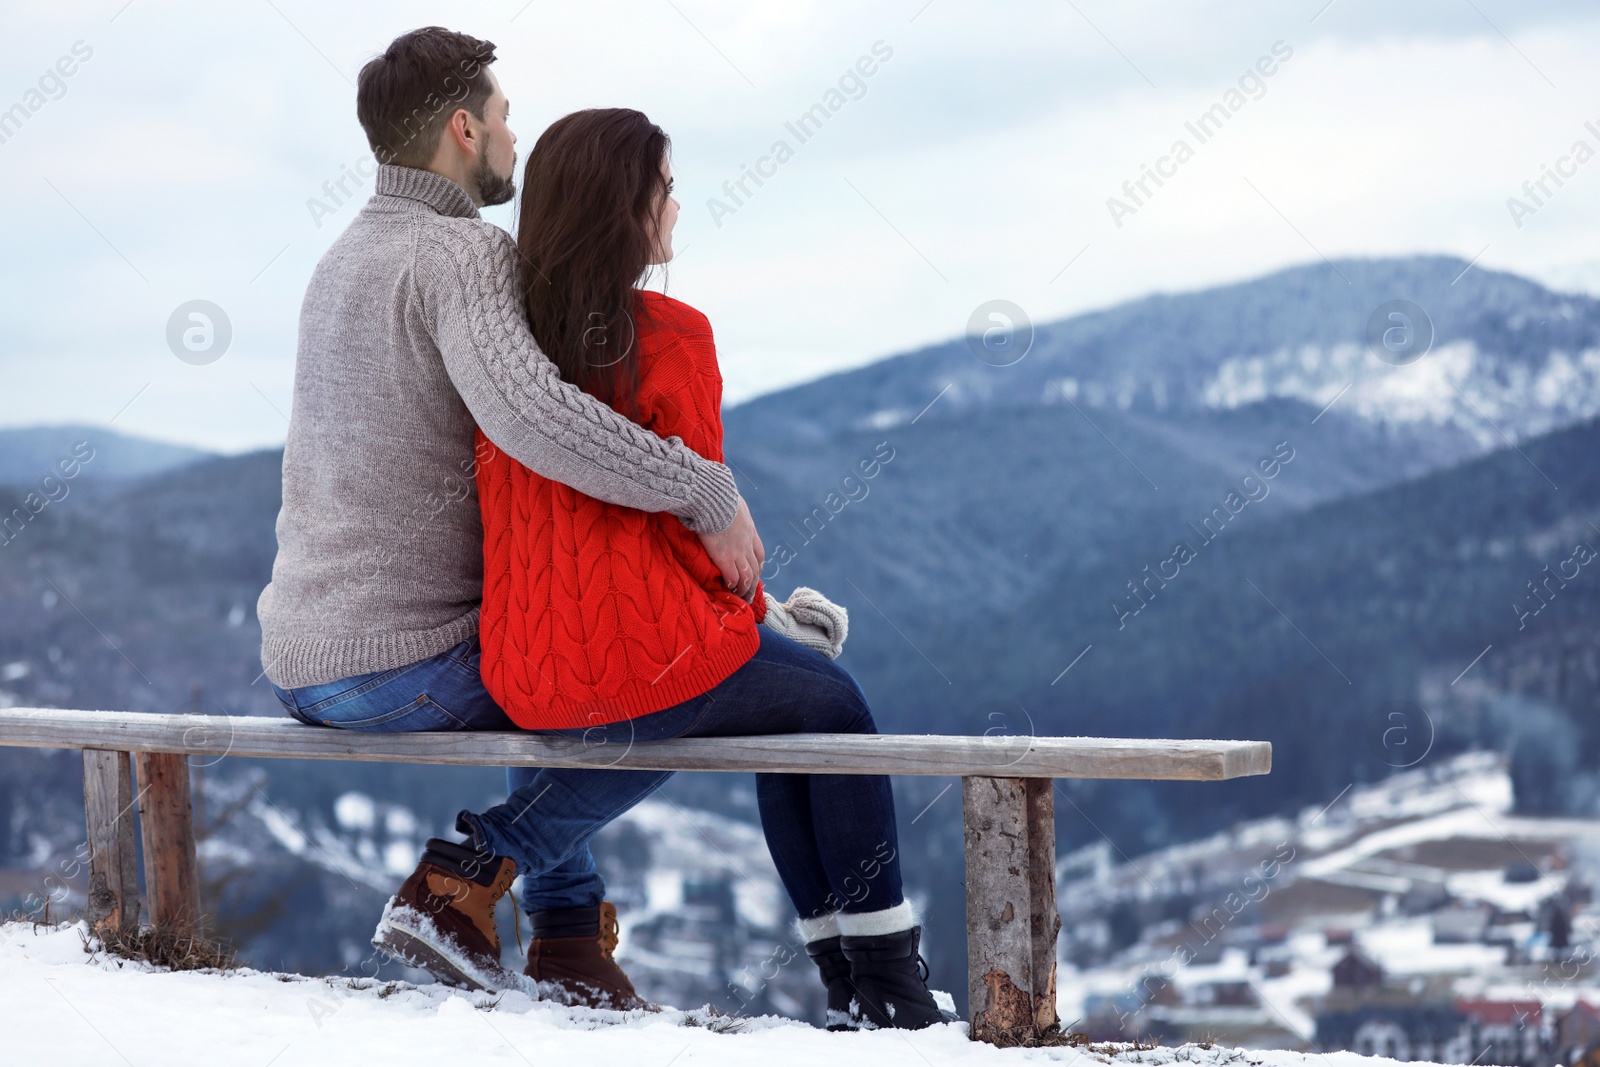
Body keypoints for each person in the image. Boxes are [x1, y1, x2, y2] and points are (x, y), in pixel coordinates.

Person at [258, 27, 763, 1006]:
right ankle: (484, 890)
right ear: (460, 128)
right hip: (401, 666)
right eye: (501, 120)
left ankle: (570, 937)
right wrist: (706, 490)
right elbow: (538, 420)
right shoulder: (461, 252)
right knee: (631, 682)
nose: (513, 140)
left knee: (565, 667)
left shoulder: (339, 257)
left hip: (299, 659)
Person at [466, 106, 952, 1031]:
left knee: (797, 700)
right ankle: (879, 984)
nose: (678, 207)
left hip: (522, 665)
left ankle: (864, 984)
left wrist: (764, 619)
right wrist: (760, 615)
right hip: (635, 658)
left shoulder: (502, 349)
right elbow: (698, 531)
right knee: (835, 705)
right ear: (626, 208)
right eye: (666, 189)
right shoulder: (672, 335)